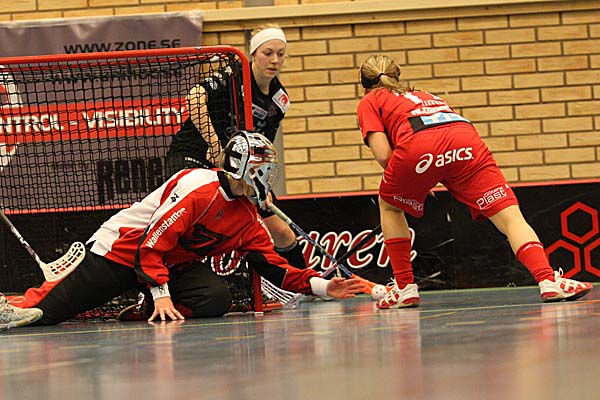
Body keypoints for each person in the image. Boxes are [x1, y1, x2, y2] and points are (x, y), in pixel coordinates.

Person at [0, 131, 363, 330]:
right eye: (263, 168)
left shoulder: (247, 216)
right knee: (45, 314)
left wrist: (322, 286)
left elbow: (273, 266)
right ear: (242, 168)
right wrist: (162, 293)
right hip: (124, 251)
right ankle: (9, 305)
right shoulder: (198, 188)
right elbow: (152, 243)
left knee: (215, 298)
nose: (269, 176)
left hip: (171, 264)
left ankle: (144, 309)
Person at [356, 54, 593, 309]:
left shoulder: (368, 101)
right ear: (397, 76)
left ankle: (404, 288)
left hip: (420, 146)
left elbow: (384, 154)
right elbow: (443, 136)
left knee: (389, 206)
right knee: (509, 216)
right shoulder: (424, 95)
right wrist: (419, 178)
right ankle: (548, 280)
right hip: (466, 141)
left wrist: (413, 181)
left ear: (364, 84)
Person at [166, 24, 306, 270]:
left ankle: (306, 281)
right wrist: (214, 144)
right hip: (193, 156)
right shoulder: (233, 73)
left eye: (280, 54)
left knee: (281, 231)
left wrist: (262, 185)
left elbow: (262, 147)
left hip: (235, 170)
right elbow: (195, 97)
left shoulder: (279, 100)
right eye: (267, 53)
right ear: (253, 53)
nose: (274, 60)